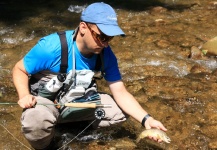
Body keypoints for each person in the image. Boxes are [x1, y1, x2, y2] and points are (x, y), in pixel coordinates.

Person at [12, 2, 167, 150]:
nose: (106, 43)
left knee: (120, 111)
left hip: (77, 100)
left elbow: (120, 92)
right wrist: (24, 95)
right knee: (35, 122)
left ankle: (76, 131)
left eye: (110, 38)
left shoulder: (106, 55)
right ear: (83, 27)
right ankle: (48, 145)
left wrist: (147, 119)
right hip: (46, 103)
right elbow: (19, 69)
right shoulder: (51, 47)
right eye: (101, 36)